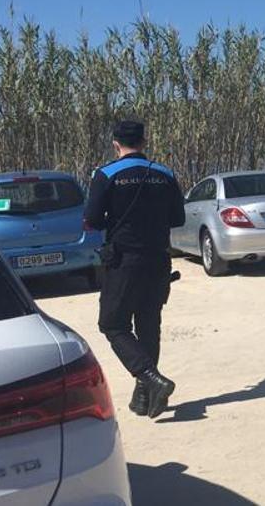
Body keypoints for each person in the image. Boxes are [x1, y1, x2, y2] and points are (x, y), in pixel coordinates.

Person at [84, 120, 186, 419]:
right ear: (144, 141)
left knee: (112, 325)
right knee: (148, 325)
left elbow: (92, 218)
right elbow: (178, 218)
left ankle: (152, 379)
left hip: (124, 260)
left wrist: (114, 222)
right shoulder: (164, 173)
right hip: (159, 260)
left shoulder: (106, 175)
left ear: (116, 144)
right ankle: (145, 399)